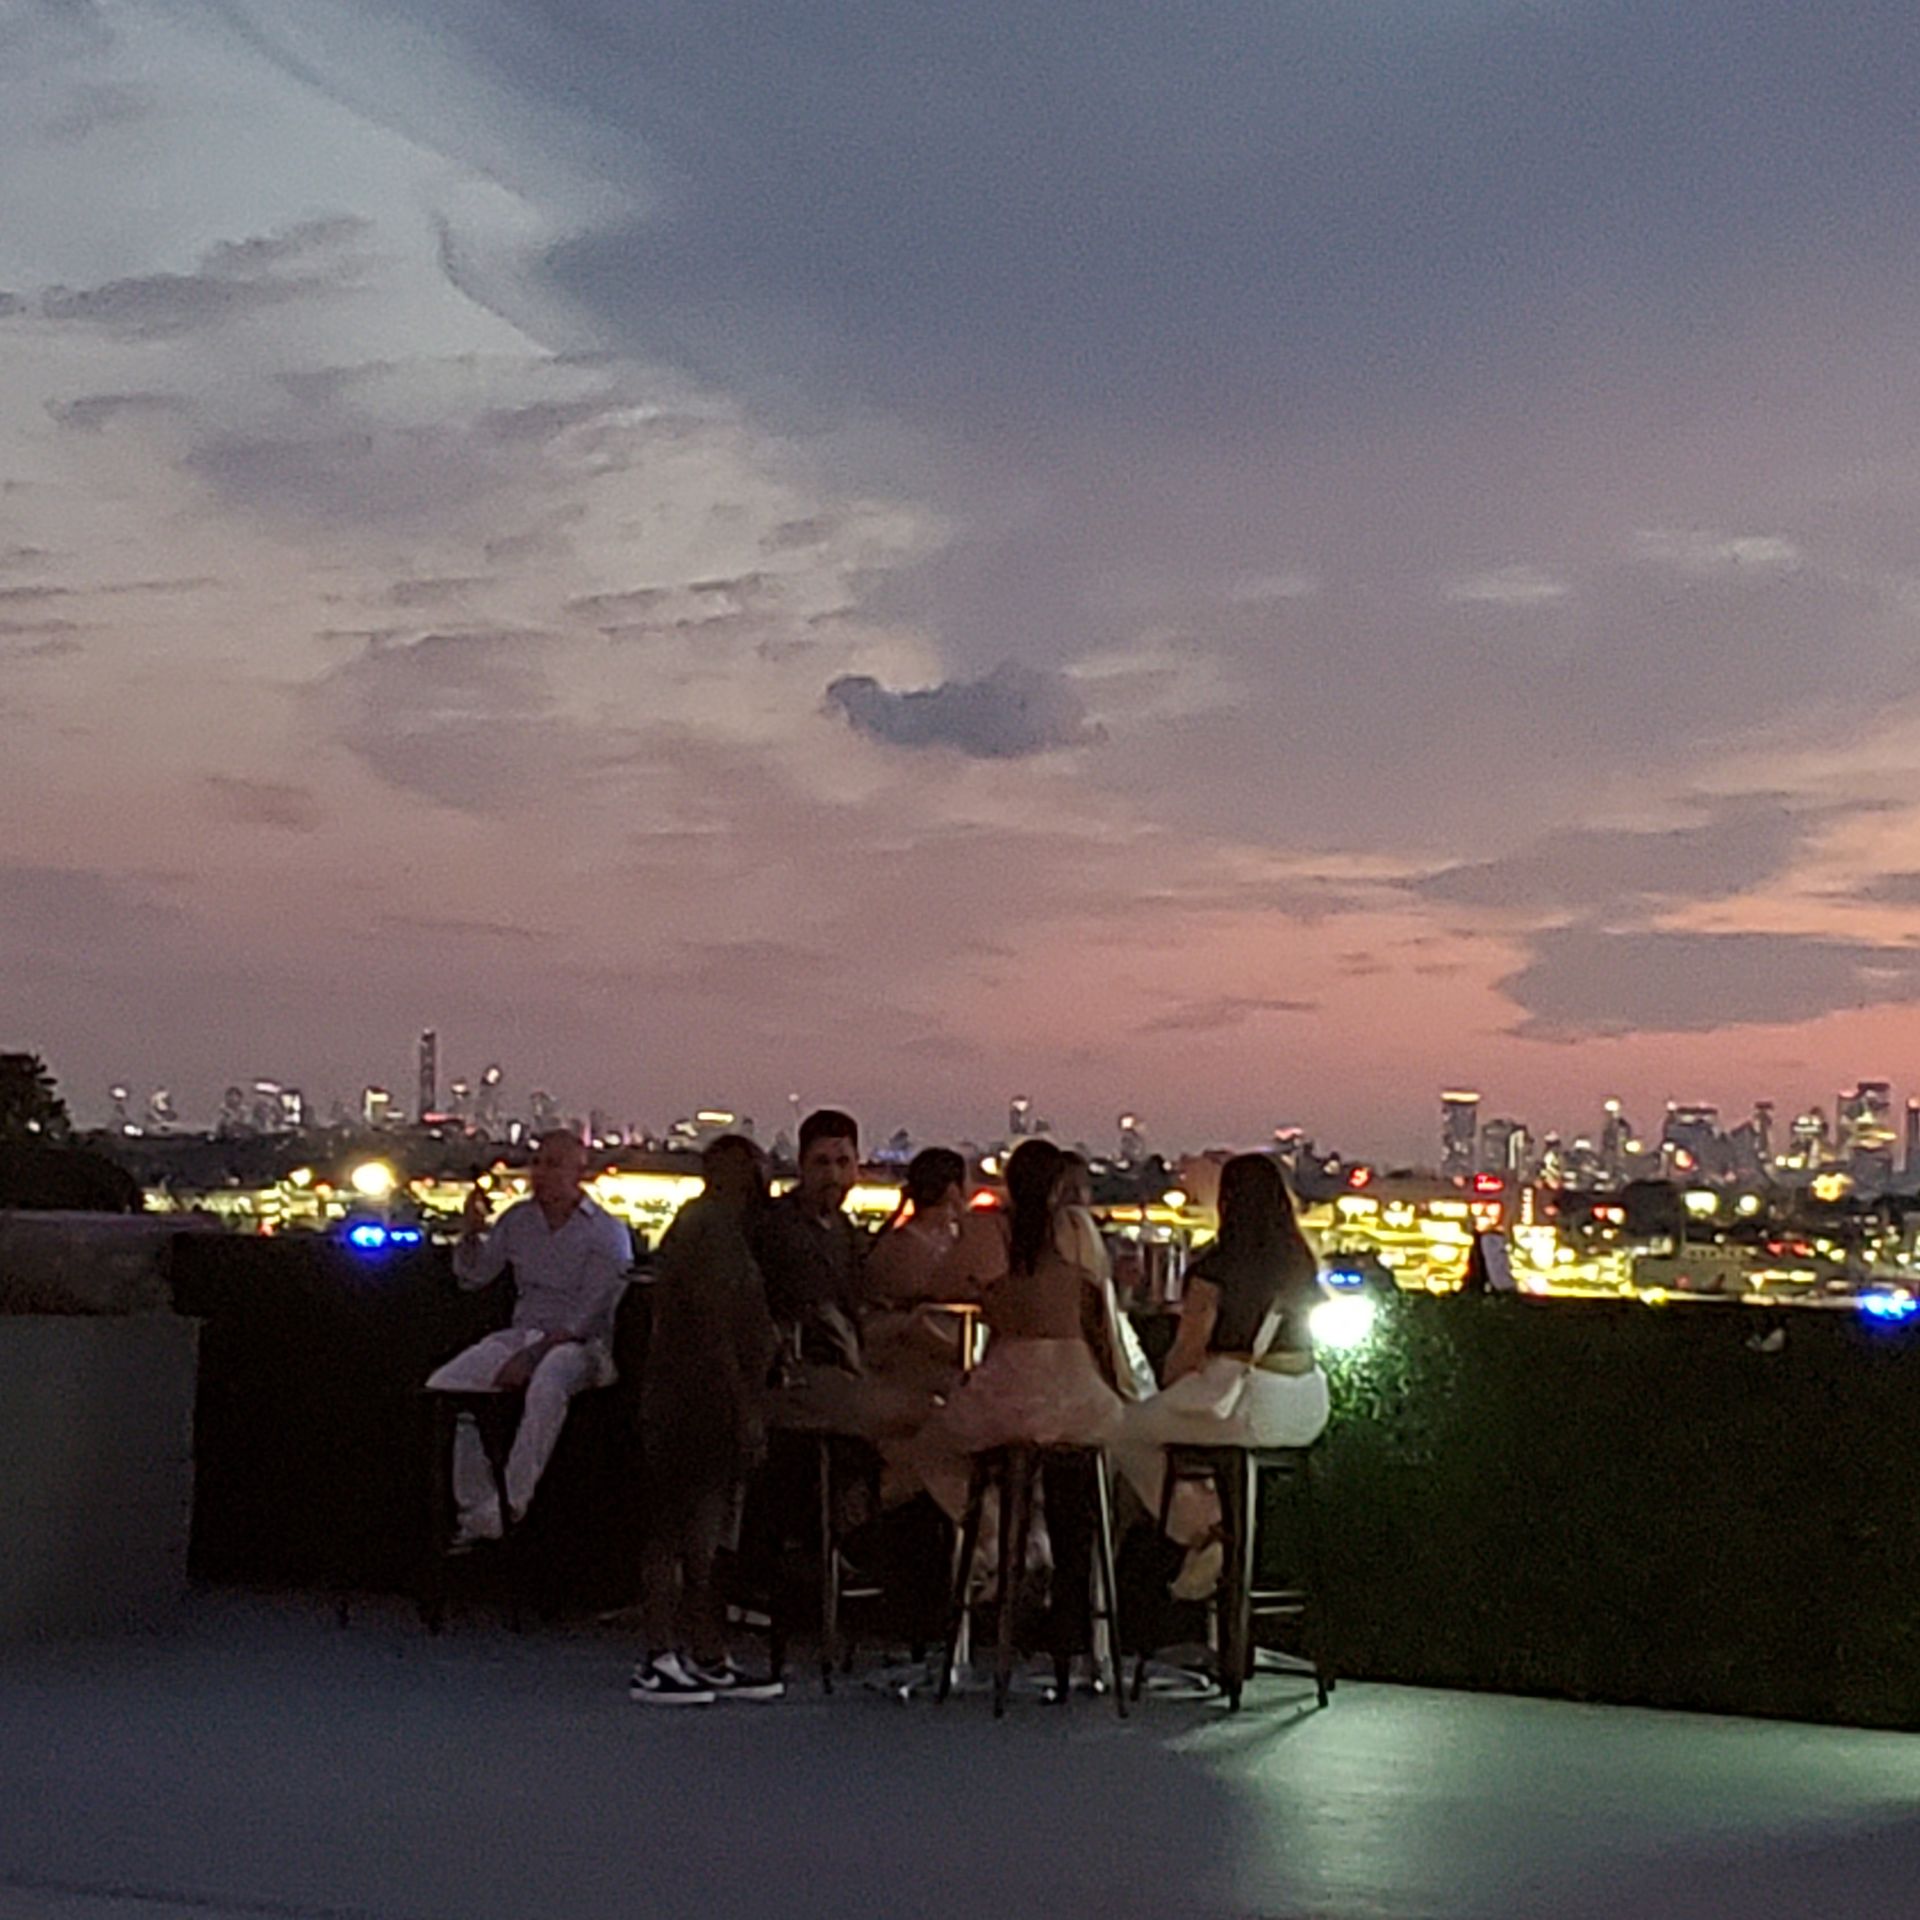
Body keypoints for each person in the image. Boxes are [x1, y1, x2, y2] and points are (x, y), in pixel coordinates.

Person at [1118, 1152, 1329, 1596]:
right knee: (1202, 1440)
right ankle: (1220, 1528)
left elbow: (1185, 1358)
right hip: (1306, 1406)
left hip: (1243, 1404)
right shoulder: (1302, 1266)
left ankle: (1205, 1531)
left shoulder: (1215, 1269)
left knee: (1125, 1433)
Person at [631, 1135, 784, 1704]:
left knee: (704, 1532)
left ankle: (702, 1650)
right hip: (691, 1401)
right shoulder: (712, 1231)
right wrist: (745, 1405)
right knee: (677, 1529)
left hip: (699, 1399)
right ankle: (660, 1654)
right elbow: (715, 1327)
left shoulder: (712, 1227)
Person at [425, 1130, 633, 1543]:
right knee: (448, 1385)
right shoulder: (517, 1221)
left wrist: (534, 1355)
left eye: (553, 1164)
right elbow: (473, 1277)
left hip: (583, 1349)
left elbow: (587, 1318)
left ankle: (512, 1505)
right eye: (538, 1163)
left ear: (580, 1173)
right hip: (522, 1334)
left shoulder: (606, 1233)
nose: (541, 1173)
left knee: (550, 1378)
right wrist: (470, 1233)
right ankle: (477, 1509)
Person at [750, 1108, 866, 1368]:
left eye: (842, 1163)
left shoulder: (844, 1229)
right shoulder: (776, 1226)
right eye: (822, 1163)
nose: (833, 1176)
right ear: (802, 1165)